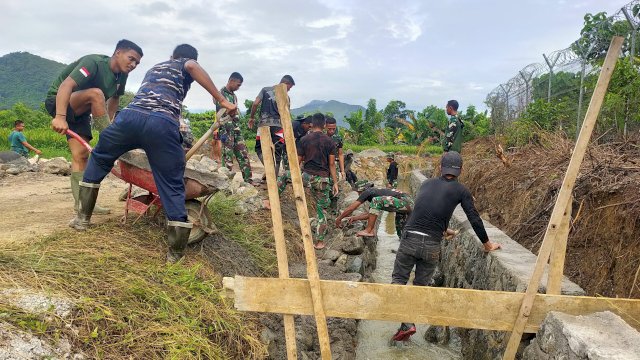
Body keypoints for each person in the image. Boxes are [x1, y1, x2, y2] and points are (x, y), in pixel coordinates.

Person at [69, 44, 237, 263]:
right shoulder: (186, 64)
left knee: (100, 157)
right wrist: (222, 100)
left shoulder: (156, 68)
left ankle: (82, 219)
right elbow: (192, 65)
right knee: (171, 182)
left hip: (129, 118)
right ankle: (175, 255)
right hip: (162, 124)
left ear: (171, 56)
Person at [390, 151, 501, 342]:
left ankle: (406, 323)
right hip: (432, 244)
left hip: (410, 238)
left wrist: (443, 229)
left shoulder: (426, 184)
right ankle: (406, 325)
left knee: (399, 280)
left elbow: (423, 212)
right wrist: (487, 244)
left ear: (441, 167)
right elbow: (473, 218)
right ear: (461, 170)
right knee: (420, 286)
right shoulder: (461, 191)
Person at [47, 39, 144, 216]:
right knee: (96, 93)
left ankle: (83, 204)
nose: (133, 64)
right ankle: (111, 139)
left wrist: (112, 122)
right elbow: (66, 85)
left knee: (80, 156)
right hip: (60, 102)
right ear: (118, 53)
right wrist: (60, 117)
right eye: (131, 59)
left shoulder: (121, 76)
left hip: (80, 113)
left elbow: (114, 98)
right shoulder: (94, 63)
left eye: (137, 62)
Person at [297, 113, 338, 250]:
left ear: (312, 124)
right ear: (325, 125)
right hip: (322, 180)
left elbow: (298, 161)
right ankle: (319, 242)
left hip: (306, 177)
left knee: (284, 177)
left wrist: (293, 176)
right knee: (322, 212)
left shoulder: (304, 139)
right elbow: (332, 164)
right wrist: (336, 183)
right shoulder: (330, 142)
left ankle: (274, 198)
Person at [249, 75, 295, 177]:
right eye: (289, 87)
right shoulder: (286, 97)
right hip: (278, 127)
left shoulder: (265, 90)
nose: (289, 90)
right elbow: (287, 115)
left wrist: (251, 117)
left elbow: (255, 103)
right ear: (285, 84)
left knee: (259, 148)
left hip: (263, 125)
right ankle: (274, 174)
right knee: (278, 152)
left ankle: (269, 169)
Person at [335, 180, 413, 238]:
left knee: (376, 200)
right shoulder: (374, 192)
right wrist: (354, 218)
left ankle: (369, 230)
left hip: (405, 202)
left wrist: (339, 218)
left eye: (358, 192)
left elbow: (351, 208)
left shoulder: (368, 191)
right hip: (407, 205)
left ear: (362, 189)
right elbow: (370, 214)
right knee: (402, 233)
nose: (358, 194)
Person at [216, 72, 252, 183]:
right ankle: (225, 183)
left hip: (236, 128)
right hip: (226, 129)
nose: (238, 87)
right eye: (238, 84)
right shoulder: (220, 93)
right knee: (228, 157)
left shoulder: (234, 96)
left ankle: (248, 181)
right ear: (231, 80)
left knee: (243, 153)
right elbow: (221, 110)